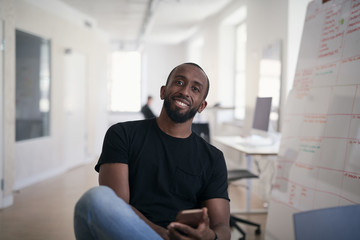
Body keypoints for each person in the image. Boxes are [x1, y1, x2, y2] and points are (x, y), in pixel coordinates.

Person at [74, 63, 231, 240]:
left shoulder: (213, 158)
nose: (185, 92)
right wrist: (165, 235)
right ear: (163, 91)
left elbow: (222, 227)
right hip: (129, 233)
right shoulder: (122, 134)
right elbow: (116, 204)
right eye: (179, 82)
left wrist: (210, 236)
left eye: (195, 88)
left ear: (202, 106)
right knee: (95, 199)